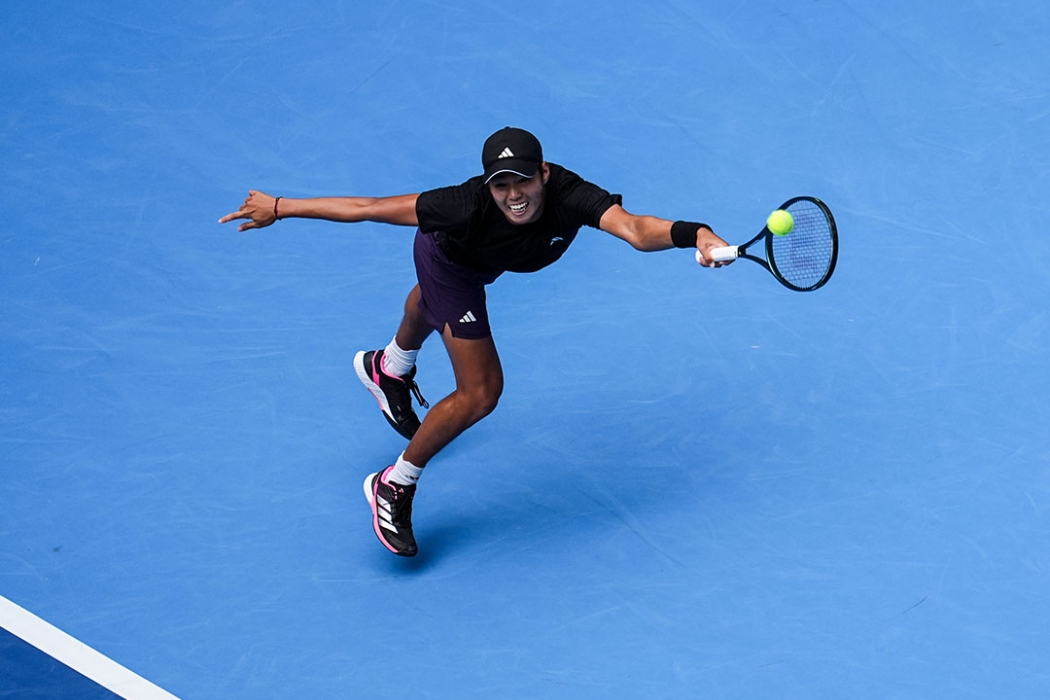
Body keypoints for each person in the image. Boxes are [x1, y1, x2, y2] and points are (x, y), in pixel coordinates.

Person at [220, 127, 730, 557]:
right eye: (500, 184)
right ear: (487, 186)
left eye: (523, 180)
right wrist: (281, 207)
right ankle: (393, 484)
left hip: (482, 265)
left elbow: (637, 230)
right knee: (482, 391)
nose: (514, 194)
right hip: (449, 263)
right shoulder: (461, 206)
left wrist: (697, 233)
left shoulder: (572, 194)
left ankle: (389, 366)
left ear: (544, 174)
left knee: (433, 305)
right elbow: (368, 207)